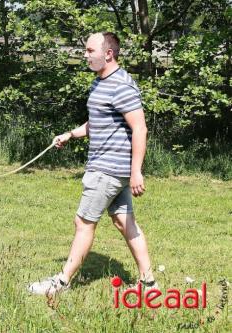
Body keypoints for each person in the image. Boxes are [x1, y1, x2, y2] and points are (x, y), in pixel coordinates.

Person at [28, 32, 157, 296]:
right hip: (111, 169)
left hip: (107, 169)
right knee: (124, 222)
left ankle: (60, 283)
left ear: (108, 53)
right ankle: (148, 283)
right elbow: (98, 121)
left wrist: (136, 173)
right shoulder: (100, 83)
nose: (84, 55)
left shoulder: (122, 85)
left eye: (89, 51)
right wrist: (71, 134)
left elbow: (140, 129)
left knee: (83, 223)